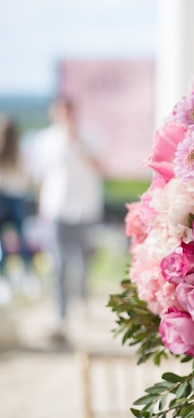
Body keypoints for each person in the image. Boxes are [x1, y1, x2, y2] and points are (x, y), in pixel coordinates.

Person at [32, 96, 105, 343]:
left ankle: (82, 300)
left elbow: (100, 167)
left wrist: (78, 144)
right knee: (59, 264)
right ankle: (61, 316)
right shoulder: (45, 140)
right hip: (56, 210)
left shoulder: (89, 135)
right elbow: (39, 175)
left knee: (83, 261)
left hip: (85, 210)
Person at [0, 114, 38, 302]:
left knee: (6, 240)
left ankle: (7, 277)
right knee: (21, 237)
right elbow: (26, 178)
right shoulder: (19, 152)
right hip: (16, 197)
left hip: (5, 197)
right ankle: (26, 273)